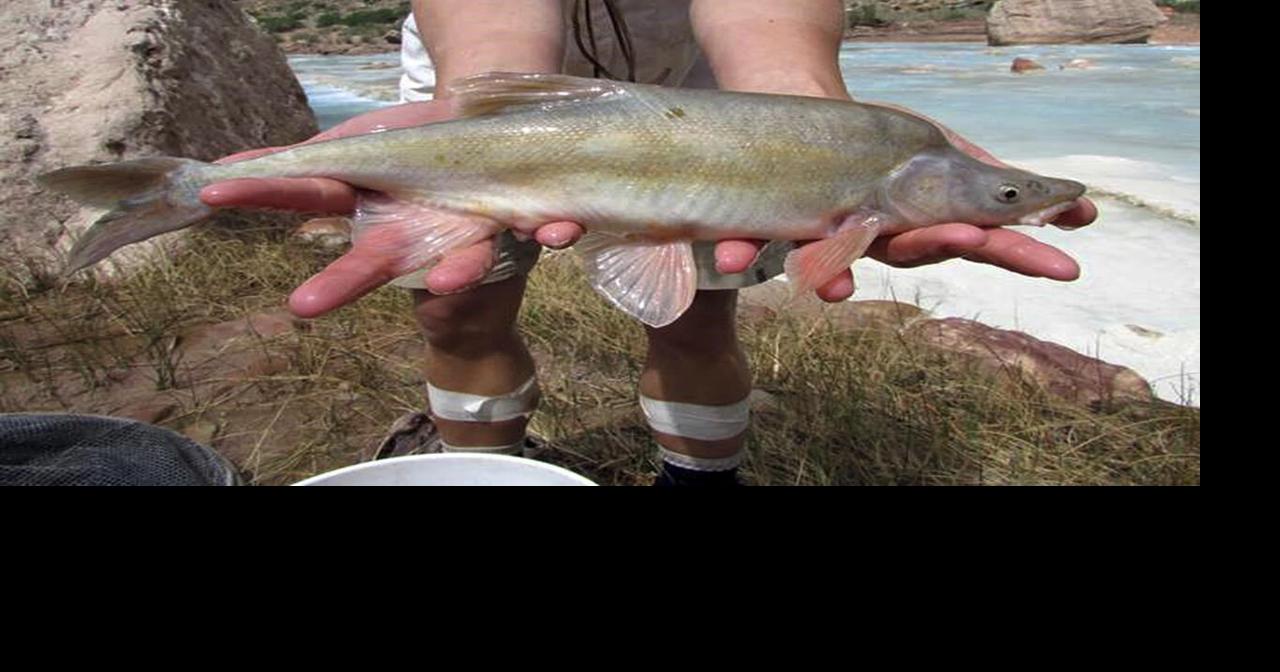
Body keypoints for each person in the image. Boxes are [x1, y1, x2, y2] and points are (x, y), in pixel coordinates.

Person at [201, 0, 1098, 486]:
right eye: (1007, 196)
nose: (1015, 201)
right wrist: (485, 102)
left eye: (1010, 198)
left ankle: (699, 480)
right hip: (488, 65)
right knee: (456, 306)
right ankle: (482, 471)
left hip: (718, 111)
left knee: (697, 320)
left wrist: (804, 107)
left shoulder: (889, 158)